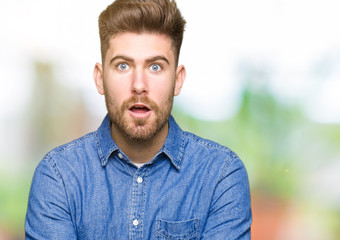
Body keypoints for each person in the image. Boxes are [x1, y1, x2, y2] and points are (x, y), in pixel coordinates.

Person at [25, 0, 252, 239]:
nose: (139, 86)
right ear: (100, 78)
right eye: (123, 66)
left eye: (155, 67)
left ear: (178, 79)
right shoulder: (59, 176)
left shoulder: (220, 175)